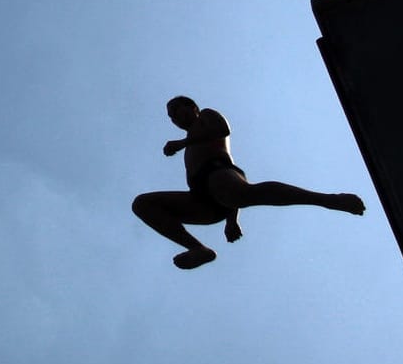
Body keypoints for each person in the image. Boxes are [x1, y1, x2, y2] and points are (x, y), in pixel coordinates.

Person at [132, 95, 365, 270]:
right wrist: (231, 221)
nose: (175, 117)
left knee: (240, 193)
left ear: (192, 107)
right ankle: (197, 248)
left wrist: (183, 143)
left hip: (220, 174)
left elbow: (223, 130)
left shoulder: (206, 118)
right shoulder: (190, 143)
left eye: (177, 109)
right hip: (203, 199)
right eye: (171, 116)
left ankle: (326, 200)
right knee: (143, 204)